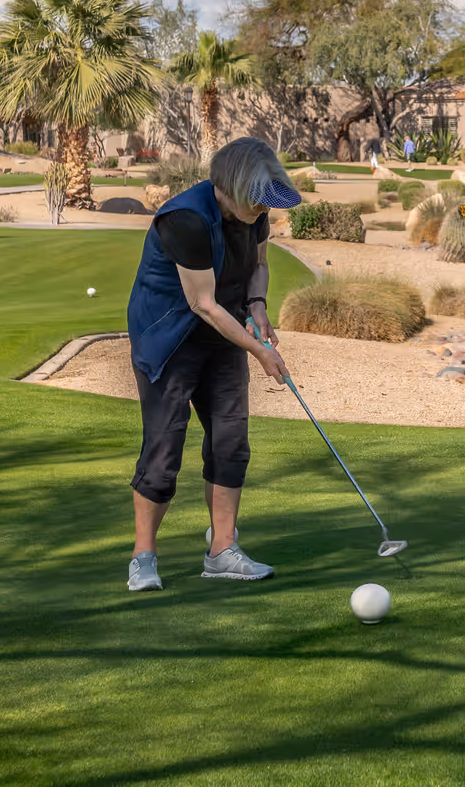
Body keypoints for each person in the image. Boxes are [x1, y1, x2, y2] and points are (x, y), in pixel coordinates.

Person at [124, 137, 302, 592]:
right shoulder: (185, 219)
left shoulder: (252, 214)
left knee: (231, 441)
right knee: (164, 450)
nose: (264, 212)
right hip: (170, 337)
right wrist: (260, 350)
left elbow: (259, 264)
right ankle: (143, 556)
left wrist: (258, 303)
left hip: (223, 333)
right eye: (258, 202)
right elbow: (202, 304)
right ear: (233, 189)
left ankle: (222, 551)